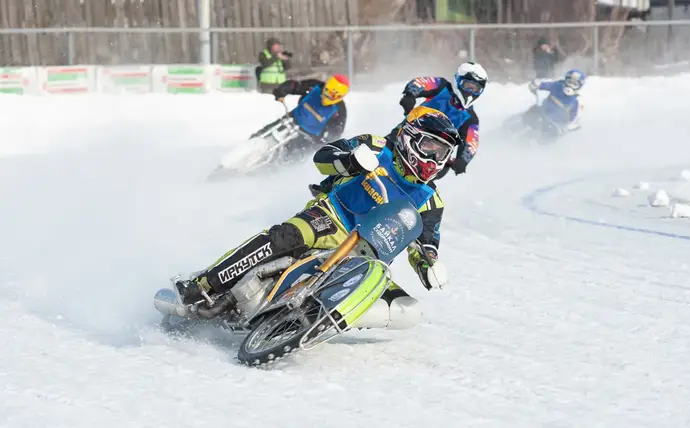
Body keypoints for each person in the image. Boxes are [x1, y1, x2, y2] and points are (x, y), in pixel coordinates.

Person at [175, 106, 460, 330]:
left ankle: (311, 322)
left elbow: (426, 240)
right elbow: (324, 157)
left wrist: (428, 265)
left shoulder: (431, 200)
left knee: (407, 309)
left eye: (442, 153)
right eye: (430, 148)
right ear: (410, 137)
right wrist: (350, 161)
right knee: (282, 239)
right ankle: (203, 285)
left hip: (369, 256)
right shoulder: (376, 146)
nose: (434, 160)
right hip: (331, 219)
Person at [308, 62, 487, 197]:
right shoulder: (442, 87)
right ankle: (330, 185)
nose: (470, 92)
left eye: (476, 88)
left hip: (433, 155)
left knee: (420, 185)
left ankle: (398, 212)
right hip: (405, 135)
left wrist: (463, 160)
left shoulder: (470, 118)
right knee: (370, 154)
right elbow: (420, 83)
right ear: (458, 80)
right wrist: (409, 95)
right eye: (468, 85)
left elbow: (471, 142)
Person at [250, 74, 349, 156]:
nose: (327, 96)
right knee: (261, 135)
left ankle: (267, 175)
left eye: (332, 95)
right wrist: (283, 90)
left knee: (289, 160)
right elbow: (296, 86)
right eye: (326, 91)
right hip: (290, 120)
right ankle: (247, 148)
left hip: (309, 139)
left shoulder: (339, 110)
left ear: (339, 97)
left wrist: (325, 142)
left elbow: (336, 132)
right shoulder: (315, 86)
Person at [524, 69, 586, 133]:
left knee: (548, 136)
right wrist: (537, 85)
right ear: (565, 81)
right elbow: (546, 85)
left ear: (579, 87)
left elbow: (573, 118)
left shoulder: (575, 102)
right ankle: (517, 124)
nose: (571, 86)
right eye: (569, 82)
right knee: (532, 111)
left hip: (555, 125)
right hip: (543, 112)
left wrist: (570, 126)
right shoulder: (557, 86)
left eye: (575, 84)